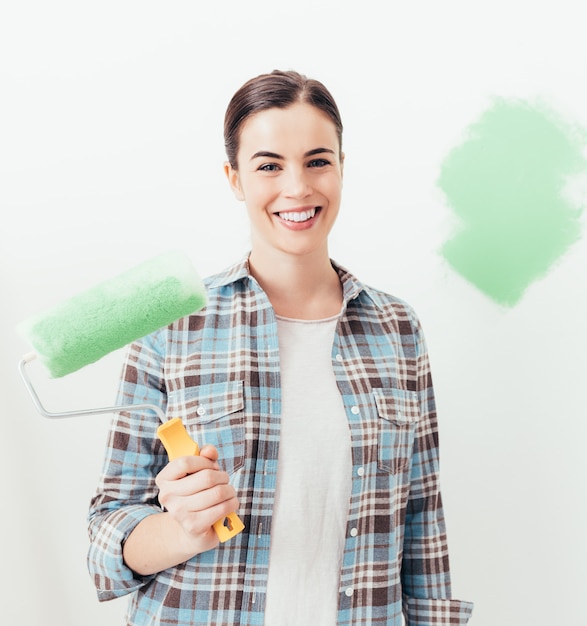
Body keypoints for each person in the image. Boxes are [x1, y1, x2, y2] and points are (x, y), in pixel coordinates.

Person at [87, 69, 474, 626]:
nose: (297, 187)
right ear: (235, 178)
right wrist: (180, 528)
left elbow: (422, 528)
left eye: (318, 161)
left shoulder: (397, 329)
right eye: (269, 165)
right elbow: (105, 542)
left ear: (342, 167)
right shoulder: (173, 326)